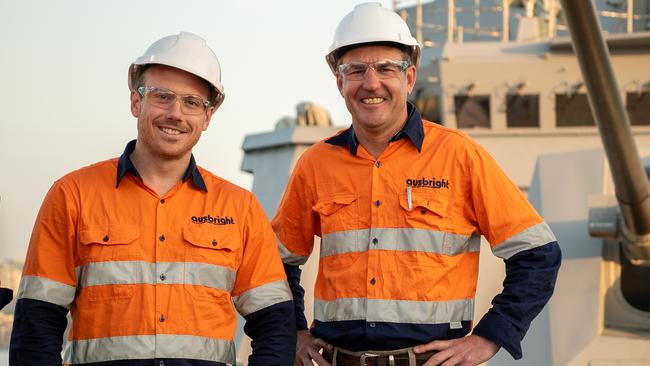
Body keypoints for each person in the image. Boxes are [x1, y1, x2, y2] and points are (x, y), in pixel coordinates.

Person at [272, 3, 562, 366]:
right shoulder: (315, 164)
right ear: (340, 82)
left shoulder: (460, 156)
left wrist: (491, 336)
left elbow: (538, 253)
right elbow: (275, 265)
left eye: (386, 69)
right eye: (356, 70)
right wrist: (294, 333)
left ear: (408, 79)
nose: (371, 83)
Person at [10, 32, 295, 366]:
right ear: (136, 101)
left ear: (207, 117)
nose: (176, 113)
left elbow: (276, 321)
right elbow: (37, 324)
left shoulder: (239, 208)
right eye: (163, 96)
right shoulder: (73, 195)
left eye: (192, 102)